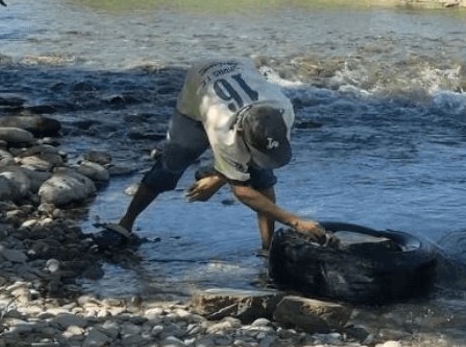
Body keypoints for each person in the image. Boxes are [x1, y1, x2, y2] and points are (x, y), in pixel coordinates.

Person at [95, 59, 325, 252]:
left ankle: (267, 250)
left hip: (237, 68)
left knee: (262, 177)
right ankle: (125, 223)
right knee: (171, 168)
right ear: (241, 134)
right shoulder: (223, 128)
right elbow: (242, 191)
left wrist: (217, 178)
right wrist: (295, 221)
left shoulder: (282, 109)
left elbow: (256, 161)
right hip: (199, 96)